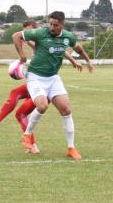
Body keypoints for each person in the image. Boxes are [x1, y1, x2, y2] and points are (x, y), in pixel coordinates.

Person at [0, 19, 83, 155]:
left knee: (22, 108)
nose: (26, 32)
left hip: (45, 80)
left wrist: (23, 58)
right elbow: (59, 49)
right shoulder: (36, 38)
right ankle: (0, 121)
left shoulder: (38, 38)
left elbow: (59, 49)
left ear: (35, 29)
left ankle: (28, 140)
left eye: (28, 29)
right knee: (17, 99)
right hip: (37, 78)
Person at [12, 11, 94, 160]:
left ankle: (71, 148)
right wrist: (22, 56)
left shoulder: (68, 37)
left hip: (53, 78)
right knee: (42, 105)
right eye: (50, 24)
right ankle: (27, 135)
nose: (51, 27)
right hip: (35, 77)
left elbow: (79, 49)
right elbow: (16, 36)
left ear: (62, 25)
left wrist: (87, 61)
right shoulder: (40, 33)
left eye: (55, 25)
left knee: (66, 110)